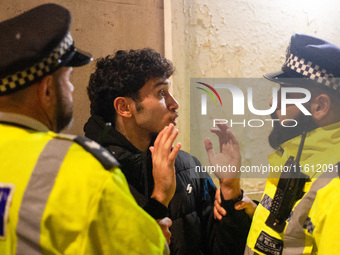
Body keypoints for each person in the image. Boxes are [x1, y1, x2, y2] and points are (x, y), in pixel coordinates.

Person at [0, 4, 179, 254]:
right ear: (47, 89)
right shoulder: (80, 169)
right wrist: (159, 201)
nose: (72, 90)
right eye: (67, 78)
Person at [210, 34, 340, 255]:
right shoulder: (298, 159)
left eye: (285, 93)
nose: (272, 102)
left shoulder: (333, 190)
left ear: (319, 107)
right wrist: (241, 200)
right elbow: (287, 238)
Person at [83, 49, 218, 254]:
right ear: (124, 107)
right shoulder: (89, 176)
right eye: (161, 93)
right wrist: (160, 198)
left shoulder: (187, 166)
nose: (174, 103)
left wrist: (230, 192)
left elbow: (221, 247)